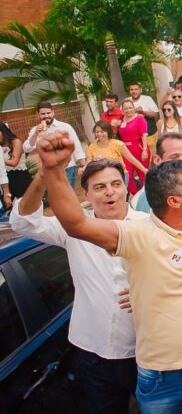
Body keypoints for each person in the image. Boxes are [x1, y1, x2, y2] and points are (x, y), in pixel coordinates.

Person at [35, 66, 182, 414]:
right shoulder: (140, 234)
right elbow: (76, 224)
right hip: (161, 381)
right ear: (174, 202)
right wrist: (53, 171)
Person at [10, 161, 146, 414]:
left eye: (116, 184)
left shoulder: (150, 226)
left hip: (146, 350)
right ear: (86, 194)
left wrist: (147, 292)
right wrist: (43, 174)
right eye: (100, 187)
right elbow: (22, 223)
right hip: (94, 352)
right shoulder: (71, 227)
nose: (109, 192)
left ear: (126, 187)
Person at [23, 101, 85, 189]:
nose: (46, 116)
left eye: (48, 113)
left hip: (67, 168)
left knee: (67, 197)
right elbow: (26, 148)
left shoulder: (65, 127)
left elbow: (77, 146)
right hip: (48, 170)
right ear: (38, 115)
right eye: (43, 114)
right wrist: (36, 134)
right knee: (55, 199)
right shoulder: (35, 130)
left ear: (53, 112)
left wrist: (83, 165)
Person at [118, 99, 150, 195]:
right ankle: (136, 195)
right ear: (122, 109)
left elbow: (144, 135)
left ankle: (147, 195)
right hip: (125, 149)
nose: (128, 110)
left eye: (130, 108)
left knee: (142, 174)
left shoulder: (140, 119)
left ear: (134, 108)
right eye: (126, 108)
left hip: (138, 147)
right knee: (127, 174)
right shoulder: (121, 119)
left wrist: (144, 150)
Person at [0, 121, 32, 201]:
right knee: (9, 206)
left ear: (3, 131)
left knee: (24, 204)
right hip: (5, 179)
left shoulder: (16, 142)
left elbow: (14, 162)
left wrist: (1, 160)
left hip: (19, 176)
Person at [127, 83, 160, 158]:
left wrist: (142, 112)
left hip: (149, 134)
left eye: (136, 89)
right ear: (129, 91)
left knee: (152, 157)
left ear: (140, 90)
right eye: (132, 90)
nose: (134, 91)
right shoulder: (126, 101)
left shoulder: (147, 99)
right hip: (134, 138)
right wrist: (134, 111)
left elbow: (155, 114)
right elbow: (122, 115)